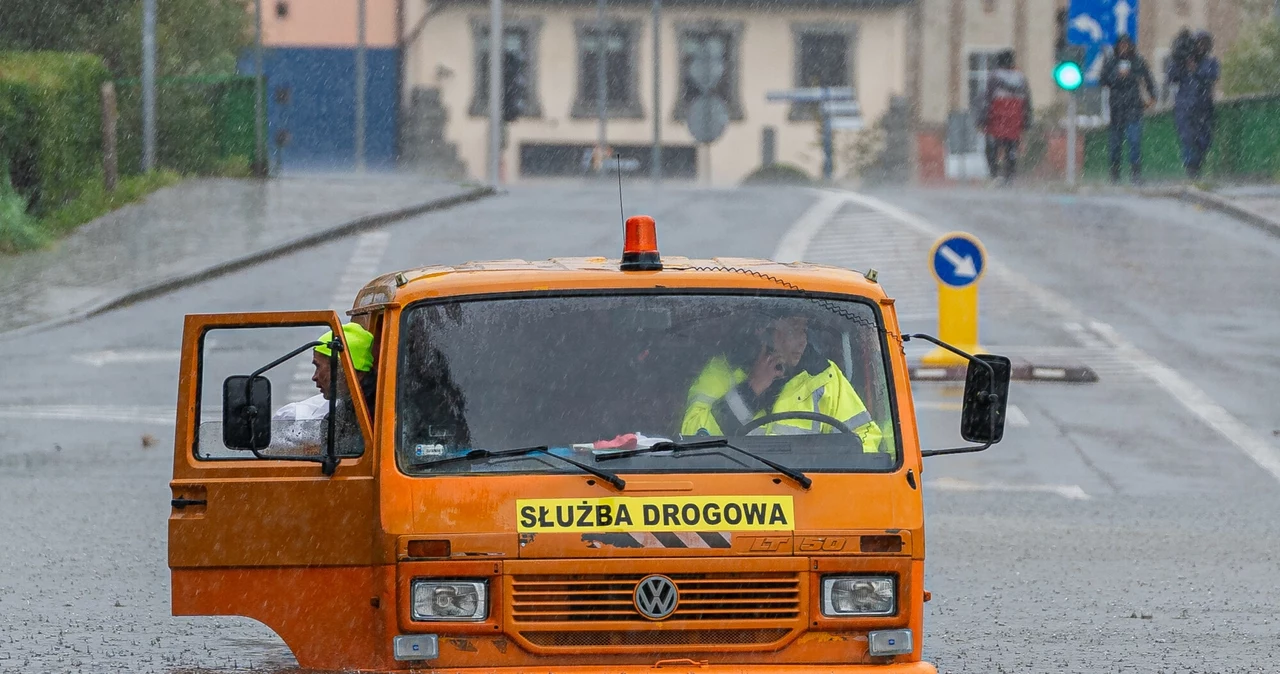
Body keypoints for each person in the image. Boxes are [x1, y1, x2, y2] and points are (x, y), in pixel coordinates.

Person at [680, 312, 884, 454]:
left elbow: (866, 438)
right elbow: (692, 438)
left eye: (804, 330)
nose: (803, 340)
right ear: (764, 332)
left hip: (809, 496)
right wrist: (750, 390)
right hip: (737, 493)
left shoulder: (824, 376)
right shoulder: (721, 372)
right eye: (794, 330)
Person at [270, 322, 376, 454]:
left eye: (318, 366)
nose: (314, 377)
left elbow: (350, 457)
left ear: (343, 368)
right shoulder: (356, 403)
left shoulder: (372, 409)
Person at [1100, 35, 1156, 184]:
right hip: (1117, 109)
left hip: (1133, 107)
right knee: (1115, 145)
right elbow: (1103, 80)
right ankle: (1114, 174)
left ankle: (1135, 173)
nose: (1124, 48)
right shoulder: (1111, 62)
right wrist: (1117, 76)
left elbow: (1148, 78)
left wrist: (1152, 97)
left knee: (1134, 141)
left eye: (1126, 45)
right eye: (1121, 45)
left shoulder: (1137, 62)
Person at [1169, 30, 1219, 179]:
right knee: (1188, 139)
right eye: (1199, 43)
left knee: (1203, 141)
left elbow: (1211, 77)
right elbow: (1172, 77)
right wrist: (1180, 61)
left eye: (1204, 43)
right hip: (1185, 108)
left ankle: (1197, 166)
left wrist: (1195, 70)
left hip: (1204, 108)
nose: (1201, 46)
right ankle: (1191, 170)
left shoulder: (1211, 62)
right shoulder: (1183, 61)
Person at [977, 50, 1032, 185]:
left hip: (996, 121)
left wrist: (982, 119)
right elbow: (1027, 102)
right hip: (1014, 121)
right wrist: (1026, 120)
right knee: (1011, 150)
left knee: (991, 150)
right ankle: (1009, 176)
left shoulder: (994, 78)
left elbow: (986, 101)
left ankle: (995, 175)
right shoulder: (1021, 79)